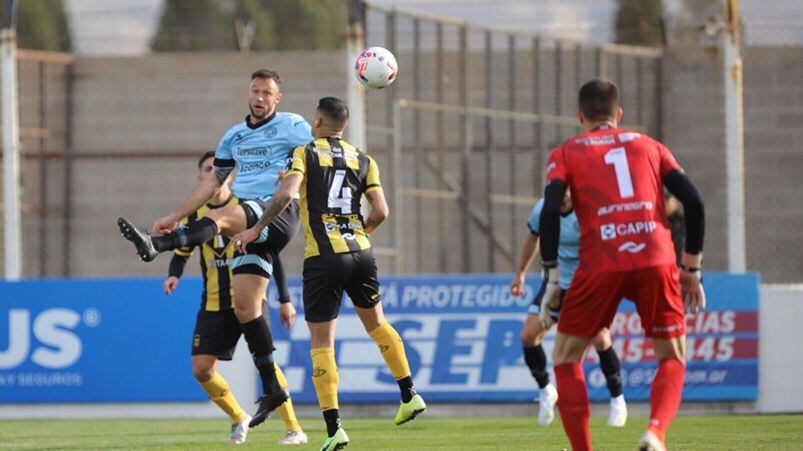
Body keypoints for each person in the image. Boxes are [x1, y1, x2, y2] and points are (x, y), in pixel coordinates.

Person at [117, 69, 312, 427]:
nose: (260, 97)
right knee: (246, 307)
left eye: (267, 92)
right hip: (250, 227)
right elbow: (211, 183)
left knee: (220, 217)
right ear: (248, 93)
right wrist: (175, 214)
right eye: (255, 90)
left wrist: (299, 174)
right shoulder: (233, 137)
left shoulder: (293, 125)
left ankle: (155, 245)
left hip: (276, 213)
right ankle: (272, 386)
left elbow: (319, 151)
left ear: (277, 98)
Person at [231, 97, 427, 451]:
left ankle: (335, 429)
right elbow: (381, 211)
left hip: (323, 257)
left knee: (322, 342)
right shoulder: (364, 159)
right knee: (377, 324)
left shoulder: (304, 152)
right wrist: (358, 234)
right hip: (362, 252)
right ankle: (409, 392)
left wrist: (255, 228)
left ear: (317, 122)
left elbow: (285, 196)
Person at [538, 79, 705, 451]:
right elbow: (694, 203)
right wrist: (691, 268)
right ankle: (655, 432)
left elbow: (550, 209)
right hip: (656, 258)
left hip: (601, 260)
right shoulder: (651, 146)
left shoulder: (566, 152)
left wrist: (551, 273)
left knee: (566, 357)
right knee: (672, 357)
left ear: (580, 116)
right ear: (619, 115)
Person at [162, 151, 307, 445]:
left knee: (265, 362)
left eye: (220, 170)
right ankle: (239, 417)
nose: (214, 174)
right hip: (214, 303)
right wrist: (174, 273)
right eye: (207, 170)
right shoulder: (195, 217)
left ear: (231, 175)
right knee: (201, 368)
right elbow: (182, 252)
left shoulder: (244, 209)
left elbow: (271, 252)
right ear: (200, 177)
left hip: (250, 298)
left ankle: (294, 428)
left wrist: (285, 298)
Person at [510, 189, 627, 428]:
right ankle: (546, 391)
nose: (562, 195)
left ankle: (618, 400)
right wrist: (520, 273)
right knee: (528, 336)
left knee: (600, 338)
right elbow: (533, 237)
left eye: (565, 189)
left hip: (584, 285)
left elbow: (604, 246)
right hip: (553, 284)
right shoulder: (543, 208)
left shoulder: (587, 209)